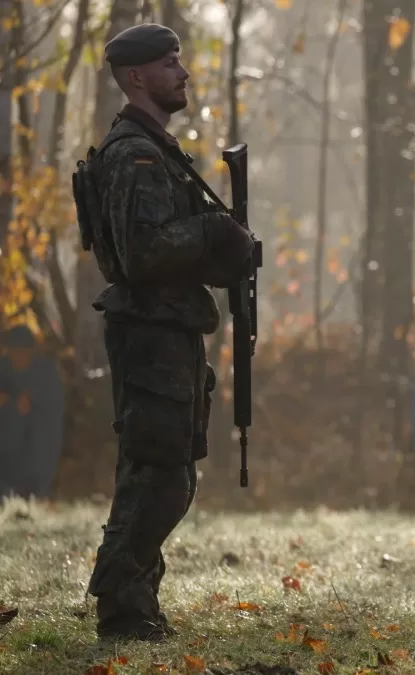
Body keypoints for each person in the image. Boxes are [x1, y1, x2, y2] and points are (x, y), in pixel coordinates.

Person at [78, 23, 255, 641]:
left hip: (168, 330)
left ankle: (137, 602)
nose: (182, 73)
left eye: (179, 61)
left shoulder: (156, 147)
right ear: (136, 78)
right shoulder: (136, 153)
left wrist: (223, 249)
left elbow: (164, 249)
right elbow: (141, 252)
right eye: (168, 64)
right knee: (157, 474)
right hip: (149, 332)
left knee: (168, 473)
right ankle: (121, 607)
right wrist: (212, 235)